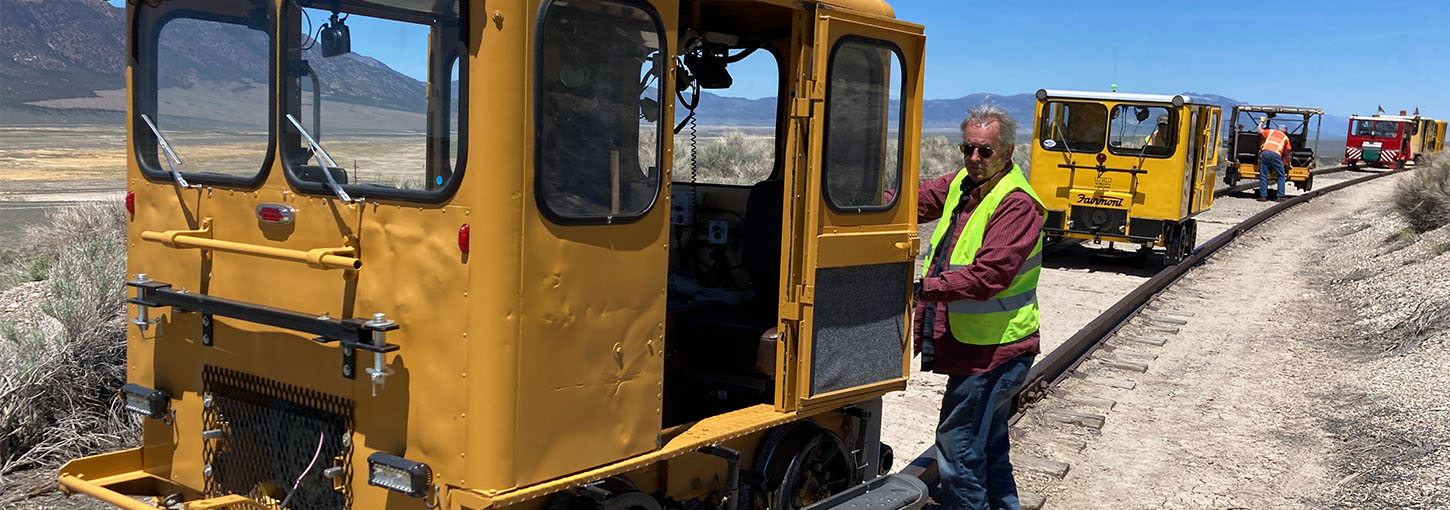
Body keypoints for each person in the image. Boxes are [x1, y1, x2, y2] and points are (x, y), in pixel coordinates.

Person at [916, 104, 1044, 510]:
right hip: (977, 348)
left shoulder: (1016, 204)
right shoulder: (963, 183)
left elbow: (989, 277)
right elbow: (912, 199)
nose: (974, 158)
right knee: (988, 449)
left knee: (958, 454)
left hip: (995, 353)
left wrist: (922, 289)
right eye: (967, 148)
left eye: (984, 151)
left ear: (1007, 152)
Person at [1257, 120, 1293, 201]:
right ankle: (1280, 196)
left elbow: (1259, 130)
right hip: (1276, 154)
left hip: (1265, 153)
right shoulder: (1285, 138)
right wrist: (1288, 164)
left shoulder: (1270, 132)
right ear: (1285, 131)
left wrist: (1261, 122)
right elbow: (1287, 154)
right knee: (1281, 176)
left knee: (1263, 175)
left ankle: (1263, 196)